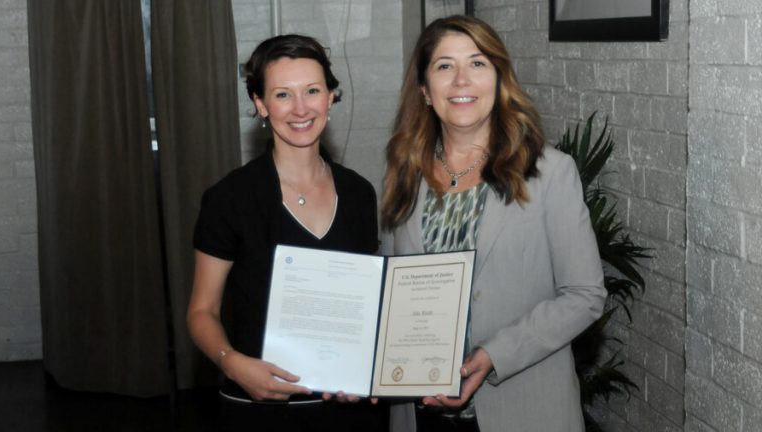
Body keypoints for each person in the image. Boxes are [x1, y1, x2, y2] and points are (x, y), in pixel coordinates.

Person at [380, 16, 606, 432]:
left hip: (522, 409)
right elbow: (391, 289)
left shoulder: (549, 173)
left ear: (499, 81)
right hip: (420, 410)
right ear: (426, 91)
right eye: (445, 66)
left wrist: (494, 355)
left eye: (478, 63)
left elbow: (585, 294)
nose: (461, 80)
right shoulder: (405, 174)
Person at [187, 34, 385, 431]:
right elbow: (201, 312)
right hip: (260, 413)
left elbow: (364, 305)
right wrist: (233, 363)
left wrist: (363, 366)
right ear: (261, 104)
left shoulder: (360, 193)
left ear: (331, 96)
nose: (300, 109)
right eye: (282, 95)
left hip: (347, 413)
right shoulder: (229, 198)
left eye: (312, 90)